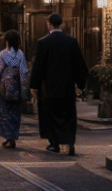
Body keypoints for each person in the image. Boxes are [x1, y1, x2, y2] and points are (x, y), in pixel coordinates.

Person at [28, 13, 88, 156]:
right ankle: (69, 142)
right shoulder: (71, 42)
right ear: (62, 24)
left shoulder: (43, 42)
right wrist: (80, 84)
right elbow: (79, 65)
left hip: (49, 87)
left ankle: (54, 144)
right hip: (67, 86)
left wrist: (34, 85)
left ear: (49, 24)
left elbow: (38, 66)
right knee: (68, 115)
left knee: (52, 115)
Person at [0, 29, 29, 148]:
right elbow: (24, 72)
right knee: (15, 113)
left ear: (7, 41)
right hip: (17, 87)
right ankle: (13, 135)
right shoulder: (21, 54)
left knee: (4, 112)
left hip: (5, 87)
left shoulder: (3, 54)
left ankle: (8, 136)